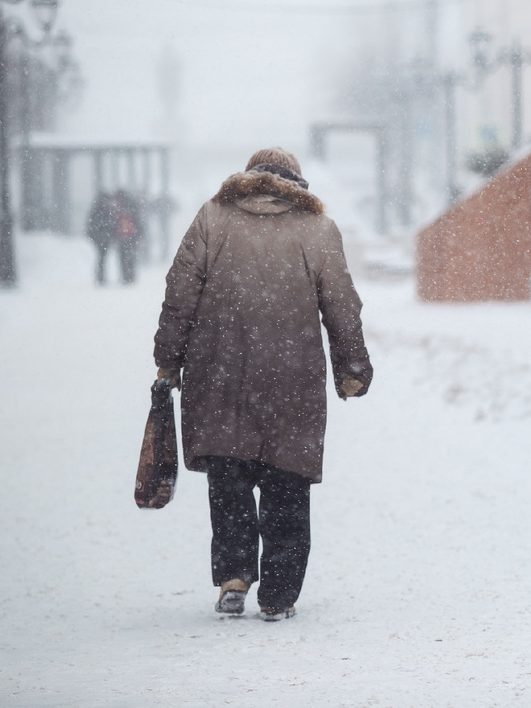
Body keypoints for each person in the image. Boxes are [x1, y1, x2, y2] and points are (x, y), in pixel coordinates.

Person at [153, 147, 372, 621]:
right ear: (297, 182)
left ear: (249, 176)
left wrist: (168, 360)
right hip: (291, 376)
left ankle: (233, 578)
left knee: (228, 481)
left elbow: (179, 294)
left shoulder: (213, 217)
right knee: (287, 484)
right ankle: (278, 595)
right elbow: (341, 304)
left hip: (219, 371)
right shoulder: (317, 229)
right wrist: (352, 367)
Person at [86, 192, 117, 285]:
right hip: (101, 238)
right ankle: (100, 276)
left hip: (103, 238)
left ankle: (101, 275)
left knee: (102, 257)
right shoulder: (103, 211)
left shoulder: (101, 210)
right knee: (101, 257)